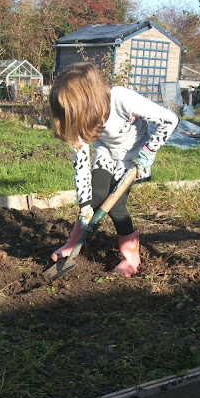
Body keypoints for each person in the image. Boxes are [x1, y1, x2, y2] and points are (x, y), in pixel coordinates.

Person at [49, 62, 179, 277]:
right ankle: (72, 244)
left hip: (135, 156)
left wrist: (149, 150)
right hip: (107, 154)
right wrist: (84, 208)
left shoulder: (121, 98)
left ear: (88, 100)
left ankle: (131, 257)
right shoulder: (82, 119)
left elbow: (170, 120)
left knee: (116, 205)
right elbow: (81, 165)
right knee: (95, 197)